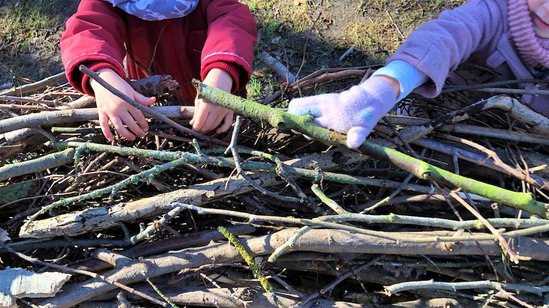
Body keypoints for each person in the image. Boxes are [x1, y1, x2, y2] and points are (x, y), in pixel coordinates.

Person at [288, 0, 549, 149]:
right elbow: (442, 39)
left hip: (521, 148)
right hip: (441, 110)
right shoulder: (494, 12)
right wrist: (377, 92)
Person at [61, 0, 256, 142]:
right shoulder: (114, 3)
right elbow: (88, 29)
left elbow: (233, 21)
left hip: (219, 113)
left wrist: (222, 74)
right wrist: (103, 78)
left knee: (227, 150)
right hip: (154, 113)